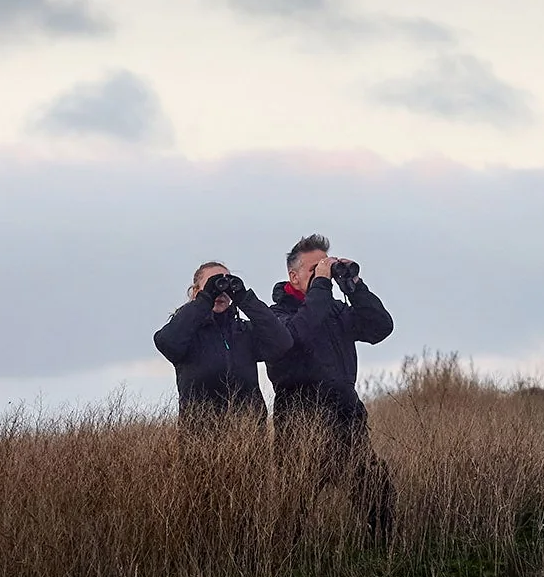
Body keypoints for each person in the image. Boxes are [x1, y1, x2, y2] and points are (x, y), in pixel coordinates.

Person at [265, 233, 397, 543]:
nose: (322, 273)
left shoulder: (336, 311)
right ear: (293, 276)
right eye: (315, 268)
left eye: (326, 265)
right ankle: (289, 564)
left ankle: (380, 557)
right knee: (294, 508)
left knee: (377, 496)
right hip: (301, 420)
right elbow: (299, 334)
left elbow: (380, 328)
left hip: (346, 416)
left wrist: (355, 287)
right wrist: (322, 286)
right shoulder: (276, 315)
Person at [152, 261, 292, 423]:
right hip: (200, 434)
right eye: (213, 284)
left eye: (226, 285)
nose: (220, 292)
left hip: (248, 431)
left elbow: (282, 342)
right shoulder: (186, 333)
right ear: (196, 292)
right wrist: (204, 300)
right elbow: (167, 343)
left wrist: (245, 299)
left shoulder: (244, 332)